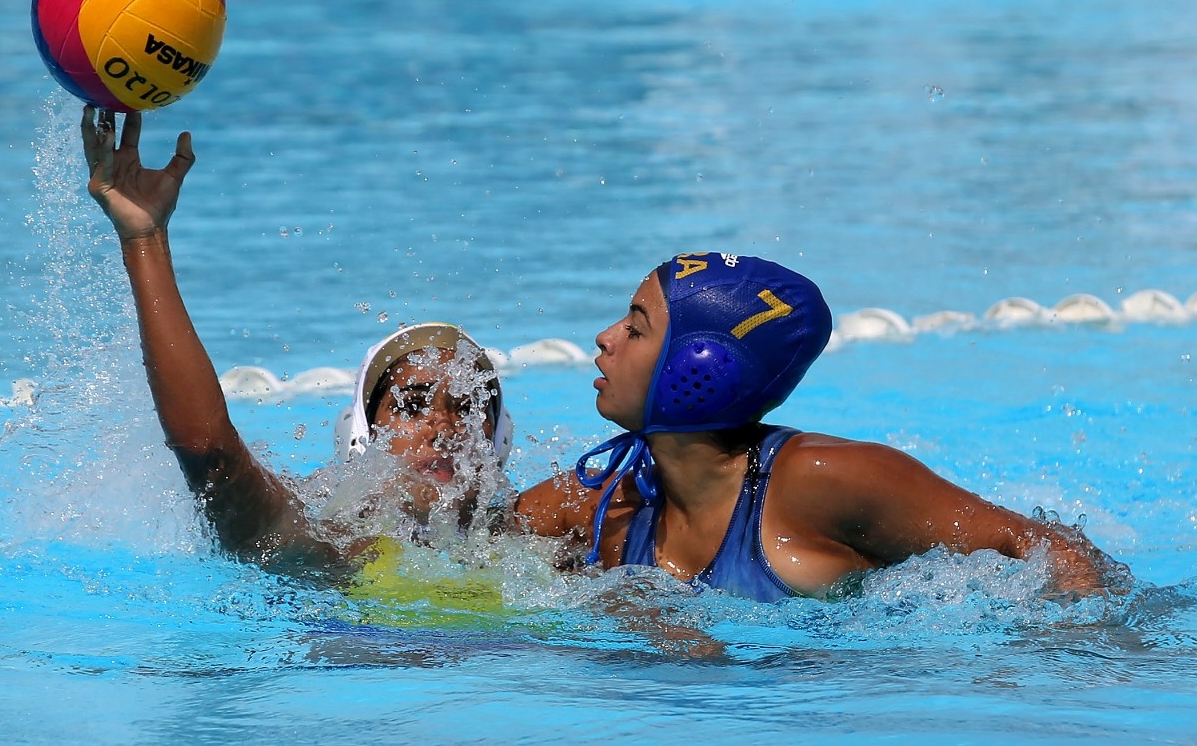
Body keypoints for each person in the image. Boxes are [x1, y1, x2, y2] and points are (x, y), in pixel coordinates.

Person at [515, 252, 1128, 601]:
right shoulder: (603, 507)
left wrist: (1072, 652)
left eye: (637, 327)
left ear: (699, 368)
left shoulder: (820, 480)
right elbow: (457, 552)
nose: (605, 337)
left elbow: (1046, 546)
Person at [81, 107, 512, 574]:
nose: (443, 430)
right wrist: (145, 240)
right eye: (411, 407)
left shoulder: (532, 535)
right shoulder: (329, 546)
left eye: (469, 407)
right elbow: (210, 455)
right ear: (362, 437)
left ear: (499, 439)